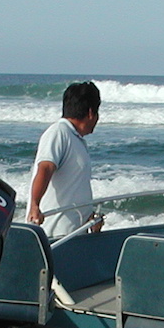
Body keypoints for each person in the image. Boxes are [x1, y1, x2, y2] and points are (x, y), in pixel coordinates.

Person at [27, 81, 102, 238]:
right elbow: (45, 168)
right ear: (90, 113)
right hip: (55, 232)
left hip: (75, 231)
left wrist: (89, 214)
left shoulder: (77, 139)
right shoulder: (58, 132)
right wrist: (35, 205)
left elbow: (74, 185)